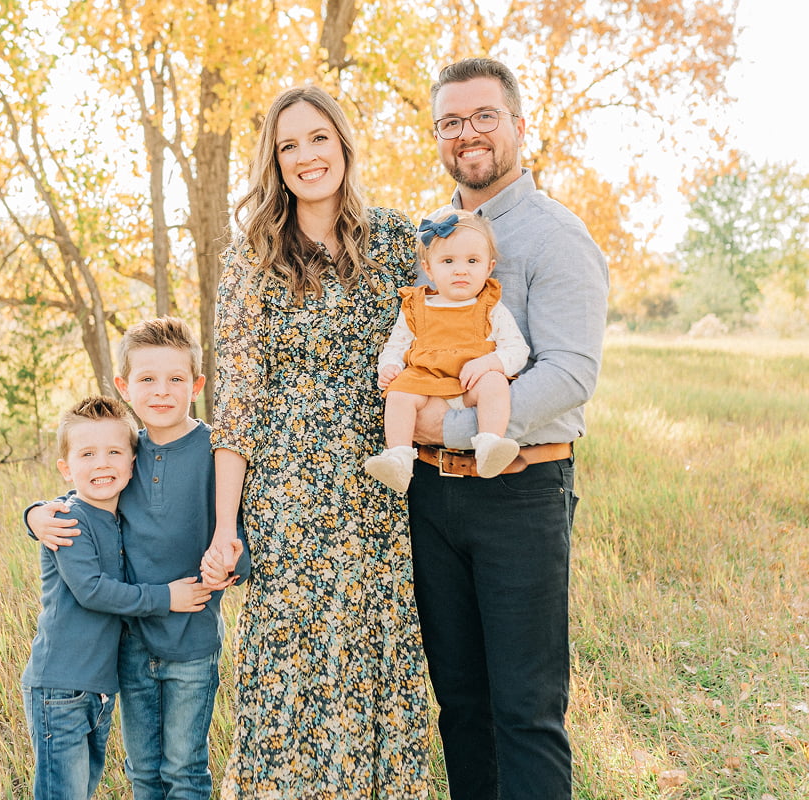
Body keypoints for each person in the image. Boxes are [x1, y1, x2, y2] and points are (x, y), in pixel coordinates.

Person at [202, 85, 430, 798]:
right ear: (274, 162)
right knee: (289, 682)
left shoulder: (397, 241)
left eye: (318, 138)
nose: (305, 156)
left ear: (343, 144)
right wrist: (224, 526)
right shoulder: (250, 261)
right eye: (287, 145)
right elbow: (236, 404)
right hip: (291, 504)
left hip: (379, 497)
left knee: (379, 670)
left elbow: (444, 335)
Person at [408, 58, 609, 800]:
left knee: (525, 710)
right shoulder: (431, 237)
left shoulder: (558, 238)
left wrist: (455, 423)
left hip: (521, 495)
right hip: (432, 499)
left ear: (519, 126)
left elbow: (570, 374)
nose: (469, 134)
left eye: (484, 116)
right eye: (451, 122)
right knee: (460, 706)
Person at [25, 318, 250, 800]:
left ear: (197, 385)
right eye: (147, 379)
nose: (162, 391)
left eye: (176, 379)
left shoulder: (217, 452)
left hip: (192, 643)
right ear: (124, 387)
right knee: (143, 772)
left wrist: (230, 563)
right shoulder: (127, 450)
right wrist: (35, 514)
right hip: (130, 646)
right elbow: (84, 492)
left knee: (184, 770)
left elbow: (239, 535)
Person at [21, 394, 213, 800]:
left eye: (113, 452)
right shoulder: (68, 520)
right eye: (87, 454)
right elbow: (91, 590)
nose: (102, 463)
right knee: (64, 791)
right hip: (60, 684)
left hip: (96, 687)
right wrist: (166, 599)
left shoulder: (117, 515)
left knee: (83, 785)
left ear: (132, 462)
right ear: (66, 469)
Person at [363, 209, 529, 493]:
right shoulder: (416, 306)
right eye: (448, 261)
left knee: (495, 382)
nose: (461, 270)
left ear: (488, 268)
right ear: (429, 269)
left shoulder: (490, 306)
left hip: (469, 385)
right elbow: (397, 345)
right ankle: (400, 458)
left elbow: (516, 349)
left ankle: (489, 443)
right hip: (425, 387)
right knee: (399, 394)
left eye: (472, 261)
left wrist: (490, 362)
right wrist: (388, 366)